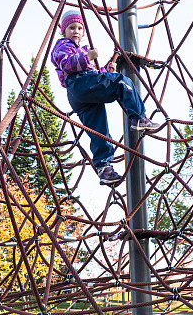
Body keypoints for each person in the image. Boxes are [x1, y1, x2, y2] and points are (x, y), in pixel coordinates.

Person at [50, 10, 160, 185]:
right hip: (79, 85)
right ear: (63, 31)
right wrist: (87, 56)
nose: (76, 31)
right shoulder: (64, 45)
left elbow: (93, 74)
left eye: (79, 28)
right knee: (121, 82)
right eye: (72, 28)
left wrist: (105, 72)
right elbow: (68, 64)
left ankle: (104, 168)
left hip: (82, 93)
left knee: (98, 131)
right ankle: (138, 117)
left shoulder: (80, 49)